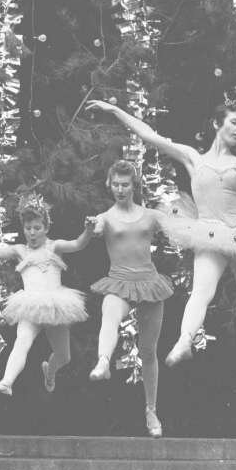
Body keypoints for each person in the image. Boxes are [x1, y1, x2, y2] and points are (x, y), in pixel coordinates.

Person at [87, 100, 236, 372]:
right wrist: (115, 110)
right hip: (208, 233)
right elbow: (149, 135)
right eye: (234, 122)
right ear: (216, 124)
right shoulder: (193, 159)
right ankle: (184, 341)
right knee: (201, 291)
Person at [0, 193, 89, 396]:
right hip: (30, 306)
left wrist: (88, 230)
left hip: (56, 306)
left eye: (37, 228)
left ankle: (50, 372)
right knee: (22, 341)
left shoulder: (54, 246)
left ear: (46, 228)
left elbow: (78, 244)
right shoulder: (19, 250)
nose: (32, 233)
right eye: (28, 228)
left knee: (64, 356)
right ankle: (6, 382)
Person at [87, 158, 172, 437]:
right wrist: (91, 227)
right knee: (109, 315)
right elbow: (96, 229)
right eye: (116, 185)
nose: (120, 189)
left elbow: (177, 228)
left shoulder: (150, 216)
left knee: (148, 350)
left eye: (125, 185)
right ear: (109, 185)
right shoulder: (106, 218)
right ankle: (103, 361)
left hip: (149, 284)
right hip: (120, 282)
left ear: (133, 185)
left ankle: (151, 410)